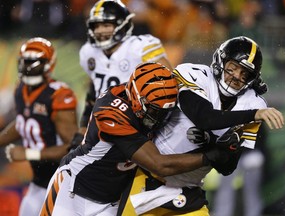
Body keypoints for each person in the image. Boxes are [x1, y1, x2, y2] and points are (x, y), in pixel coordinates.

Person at [39, 62, 234, 216]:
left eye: (165, 112)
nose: (159, 118)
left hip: (110, 202)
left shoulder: (150, 100)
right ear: (136, 97)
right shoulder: (111, 111)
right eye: (154, 111)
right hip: (73, 190)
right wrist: (209, 156)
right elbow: (159, 164)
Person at [118, 36, 285, 215]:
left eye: (245, 73)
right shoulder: (195, 74)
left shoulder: (253, 102)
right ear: (220, 60)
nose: (236, 76)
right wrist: (252, 116)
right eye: (233, 67)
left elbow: (227, 168)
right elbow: (204, 118)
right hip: (147, 177)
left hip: (188, 191)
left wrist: (227, 150)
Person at [72, 0, 173, 147]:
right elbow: (93, 95)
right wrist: (82, 130)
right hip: (104, 126)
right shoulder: (89, 52)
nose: (100, 31)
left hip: (137, 125)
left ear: (122, 24)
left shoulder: (140, 47)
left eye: (106, 25)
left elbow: (168, 86)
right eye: (97, 25)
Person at [0, 37, 78, 216]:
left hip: (63, 184)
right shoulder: (21, 89)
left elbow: (74, 148)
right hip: (38, 181)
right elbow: (23, 123)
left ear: (49, 64)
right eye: (26, 61)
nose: (29, 67)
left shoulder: (58, 95)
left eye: (35, 62)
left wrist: (29, 154)